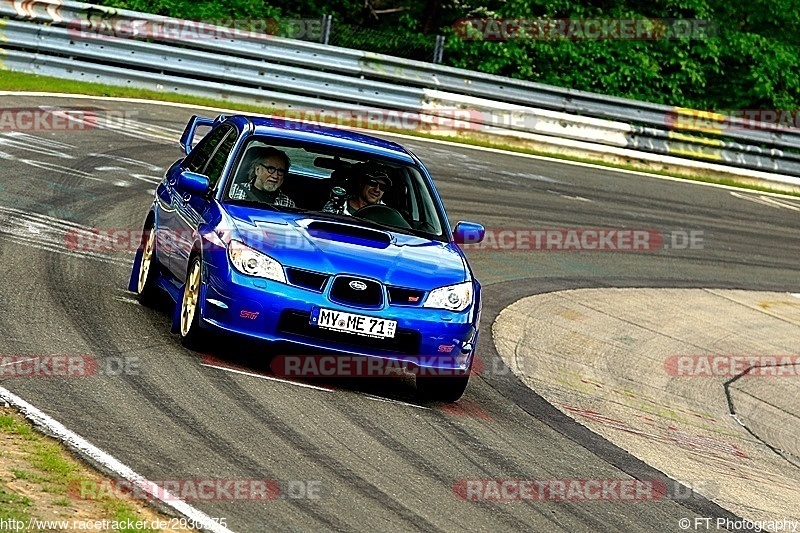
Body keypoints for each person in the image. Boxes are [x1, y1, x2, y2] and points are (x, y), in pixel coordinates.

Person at [229, 147, 295, 207]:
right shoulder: (233, 191)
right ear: (257, 170)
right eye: (270, 169)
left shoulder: (288, 204)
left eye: (280, 171)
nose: (275, 176)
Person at [322, 162, 392, 215]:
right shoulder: (337, 204)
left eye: (383, 187)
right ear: (362, 183)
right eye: (373, 183)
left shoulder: (386, 214)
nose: (377, 190)